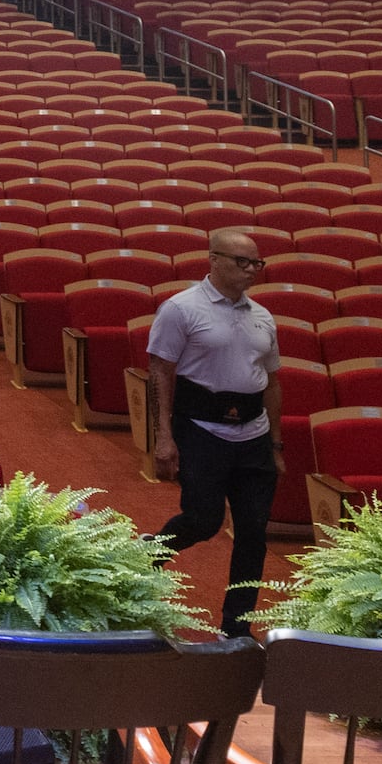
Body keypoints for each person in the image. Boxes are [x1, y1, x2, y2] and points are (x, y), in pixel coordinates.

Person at [144, 225, 282, 635]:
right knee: (204, 521)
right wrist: (163, 437)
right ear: (214, 260)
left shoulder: (263, 316)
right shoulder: (181, 309)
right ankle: (146, 554)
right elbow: (160, 372)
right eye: (242, 262)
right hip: (202, 430)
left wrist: (275, 444)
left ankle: (236, 629)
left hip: (254, 435)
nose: (251, 270)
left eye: (256, 262)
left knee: (254, 533)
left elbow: (271, 382)